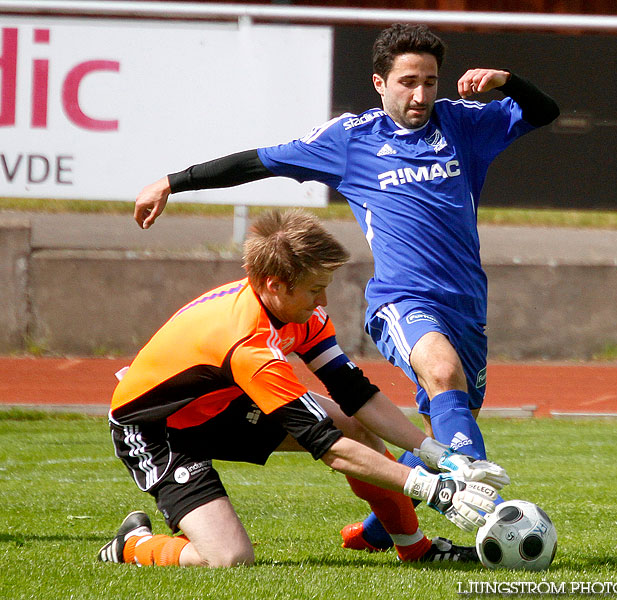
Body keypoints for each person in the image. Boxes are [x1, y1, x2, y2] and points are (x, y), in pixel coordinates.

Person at [131, 23, 558, 553]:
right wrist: (173, 181)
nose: (420, 94)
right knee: (441, 371)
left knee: (450, 417)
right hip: (403, 299)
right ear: (380, 83)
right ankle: (493, 519)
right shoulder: (351, 140)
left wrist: (508, 80)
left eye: (429, 81)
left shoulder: (463, 123)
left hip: (467, 302)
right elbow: (260, 161)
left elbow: (545, 113)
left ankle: (383, 529)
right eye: (407, 81)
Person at [98, 209, 508, 568]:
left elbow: (355, 393)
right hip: (157, 429)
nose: (323, 299)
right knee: (228, 559)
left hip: (222, 404)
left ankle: (415, 548)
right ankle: (133, 545)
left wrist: (438, 455)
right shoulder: (247, 346)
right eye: (315, 288)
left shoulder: (297, 313)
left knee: (355, 423)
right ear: (275, 285)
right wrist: (432, 489)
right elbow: (328, 448)